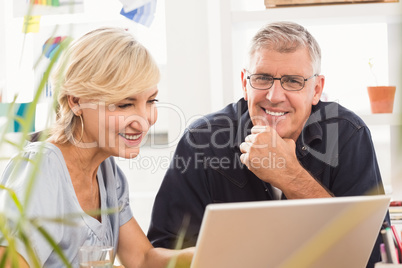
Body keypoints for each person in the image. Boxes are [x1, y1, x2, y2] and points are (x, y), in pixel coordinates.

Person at [147, 21, 388, 267]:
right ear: (244, 82)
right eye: (262, 78)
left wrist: (291, 176)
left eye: (293, 81)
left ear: (316, 89)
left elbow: (375, 255)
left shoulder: (348, 134)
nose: (274, 97)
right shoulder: (201, 140)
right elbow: (160, 253)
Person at [0, 27, 193, 267]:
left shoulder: (108, 171)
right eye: (124, 104)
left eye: (151, 101)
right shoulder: (41, 169)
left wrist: (209, 252)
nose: (145, 119)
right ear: (76, 101)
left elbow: (142, 258)